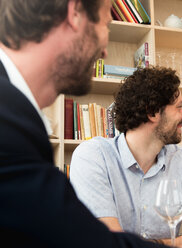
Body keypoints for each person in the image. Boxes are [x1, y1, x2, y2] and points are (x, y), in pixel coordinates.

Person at [0, 0, 170, 247]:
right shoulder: (8, 118)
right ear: (75, 13)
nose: (105, 52)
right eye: (105, 24)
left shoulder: (16, 111)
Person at [70, 67, 182, 248]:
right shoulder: (93, 156)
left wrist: (154, 243)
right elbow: (109, 243)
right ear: (152, 112)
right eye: (179, 107)